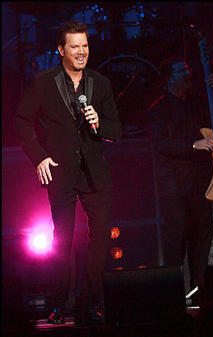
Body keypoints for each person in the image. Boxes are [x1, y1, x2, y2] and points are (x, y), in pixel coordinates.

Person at [15, 21, 122, 325]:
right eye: (74, 47)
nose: (81, 52)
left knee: (100, 237)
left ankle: (90, 300)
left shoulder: (100, 83)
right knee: (62, 239)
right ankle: (60, 302)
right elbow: (22, 121)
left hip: (95, 174)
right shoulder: (43, 83)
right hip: (61, 172)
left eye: (85, 46)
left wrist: (99, 122)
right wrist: (39, 157)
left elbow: (117, 129)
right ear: (61, 49)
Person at [148, 57, 213, 306]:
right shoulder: (159, 109)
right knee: (177, 239)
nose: (187, 73)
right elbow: (160, 143)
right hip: (174, 185)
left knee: (202, 236)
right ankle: (172, 297)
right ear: (169, 78)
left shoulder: (199, 103)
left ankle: (200, 292)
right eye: (180, 70)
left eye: (187, 69)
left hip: (200, 181)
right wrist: (192, 145)